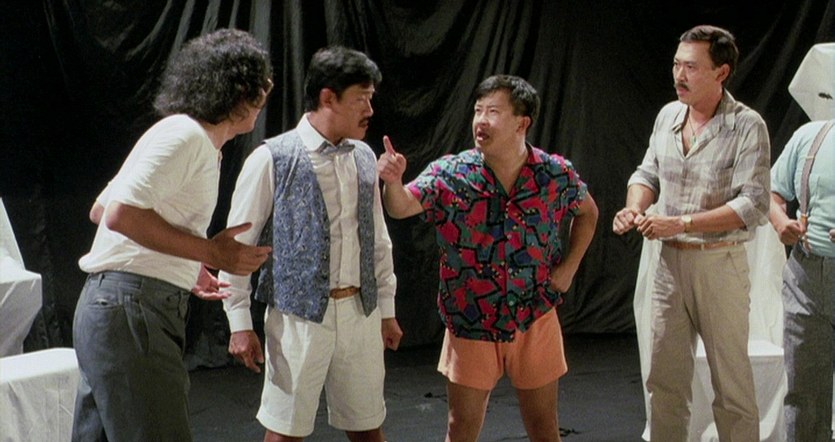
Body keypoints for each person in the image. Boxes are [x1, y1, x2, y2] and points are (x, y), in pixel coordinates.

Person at [72, 29, 274, 441]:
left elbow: (101, 209)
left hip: (116, 309)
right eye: (260, 82)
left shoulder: (182, 136)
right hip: (133, 309)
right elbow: (119, 214)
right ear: (238, 92)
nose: (267, 89)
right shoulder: (187, 137)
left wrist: (184, 262)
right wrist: (209, 252)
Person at [377, 74, 598, 441]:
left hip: (534, 313)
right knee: (460, 428)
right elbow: (401, 207)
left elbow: (588, 212)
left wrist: (568, 269)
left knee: (544, 428)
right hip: (472, 318)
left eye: (493, 112)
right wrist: (393, 182)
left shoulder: (553, 173)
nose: (481, 120)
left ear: (522, 123)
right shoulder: (452, 173)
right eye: (478, 111)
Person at [218, 46, 402, 442]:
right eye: (361, 99)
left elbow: (377, 239)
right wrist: (239, 323)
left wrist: (386, 309)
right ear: (328, 97)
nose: (369, 109)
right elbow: (235, 247)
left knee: (368, 427)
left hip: (359, 312)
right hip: (297, 318)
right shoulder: (272, 158)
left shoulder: (364, 157)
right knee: (285, 431)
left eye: (371, 98)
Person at [612, 25, 770, 441]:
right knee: (663, 382)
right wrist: (634, 208)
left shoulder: (746, 125)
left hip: (718, 264)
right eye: (676, 65)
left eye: (692, 67)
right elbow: (647, 172)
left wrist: (681, 222)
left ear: (722, 72)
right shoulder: (668, 115)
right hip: (669, 264)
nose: (679, 75)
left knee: (731, 386)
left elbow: (752, 205)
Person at [769, 118, 835, 441]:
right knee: (804, 397)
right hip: (805, 278)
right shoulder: (810, 137)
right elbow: (771, 193)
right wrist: (781, 222)